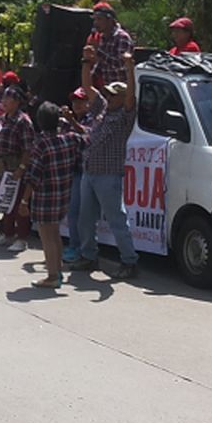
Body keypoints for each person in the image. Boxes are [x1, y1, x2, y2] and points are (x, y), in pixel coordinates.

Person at [68, 47, 139, 279]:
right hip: (90, 172)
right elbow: (87, 87)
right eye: (107, 94)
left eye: (111, 95)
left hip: (108, 175)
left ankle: (129, 261)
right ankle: (89, 256)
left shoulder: (124, 116)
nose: (107, 98)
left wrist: (129, 69)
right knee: (85, 219)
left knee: (116, 218)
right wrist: (86, 62)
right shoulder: (102, 110)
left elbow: (130, 97)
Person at [20, 102, 86, 288]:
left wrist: (25, 200)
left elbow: (33, 176)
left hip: (45, 197)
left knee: (46, 236)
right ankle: (57, 270)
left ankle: (52, 276)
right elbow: (87, 137)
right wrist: (71, 121)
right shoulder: (70, 139)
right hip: (63, 194)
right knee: (55, 233)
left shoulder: (41, 145)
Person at [0, 85, 34, 252]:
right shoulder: (3, 119)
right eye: (4, 98)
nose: (4, 101)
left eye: (9, 98)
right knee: (6, 202)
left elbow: (28, 149)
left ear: (17, 102)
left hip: (16, 168)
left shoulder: (23, 121)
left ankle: (22, 238)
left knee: (19, 204)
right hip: (3, 168)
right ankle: (7, 234)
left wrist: (21, 168)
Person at [59, 88, 92, 262]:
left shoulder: (93, 119)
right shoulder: (65, 122)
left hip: (85, 171)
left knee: (80, 213)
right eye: (74, 101)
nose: (77, 105)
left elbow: (88, 136)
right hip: (69, 171)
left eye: (81, 101)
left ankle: (80, 248)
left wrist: (71, 121)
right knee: (72, 212)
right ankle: (74, 245)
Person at [87, 1, 134, 90]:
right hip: (108, 90)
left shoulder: (122, 37)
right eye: (95, 19)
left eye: (99, 19)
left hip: (122, 92)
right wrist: (88, 80)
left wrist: (98, 50)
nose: (96, 23)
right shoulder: (103, 37)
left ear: (110, 20)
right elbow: (101, 65)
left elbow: (119, 64)